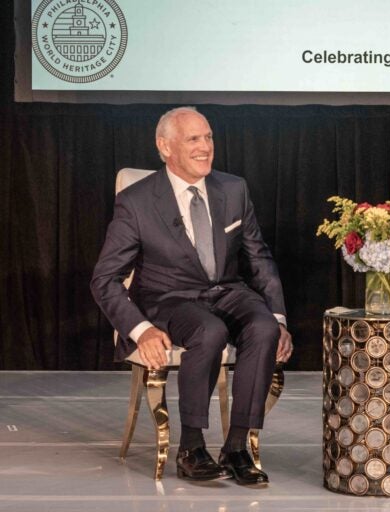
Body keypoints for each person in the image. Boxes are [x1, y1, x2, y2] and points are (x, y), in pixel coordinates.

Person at [91, 106, 293, 486]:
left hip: (226, 292)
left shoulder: (233, 189)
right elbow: (104, 279)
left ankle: (235, 448)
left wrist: (279, 318)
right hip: (169, 299)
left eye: (208, 137)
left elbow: (259, 259)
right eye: (193, 139)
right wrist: (140, 330)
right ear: (164, 146)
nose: (205, 148)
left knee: (264, 329)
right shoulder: (136, 202)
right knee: (209, 331)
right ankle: (191, 448)